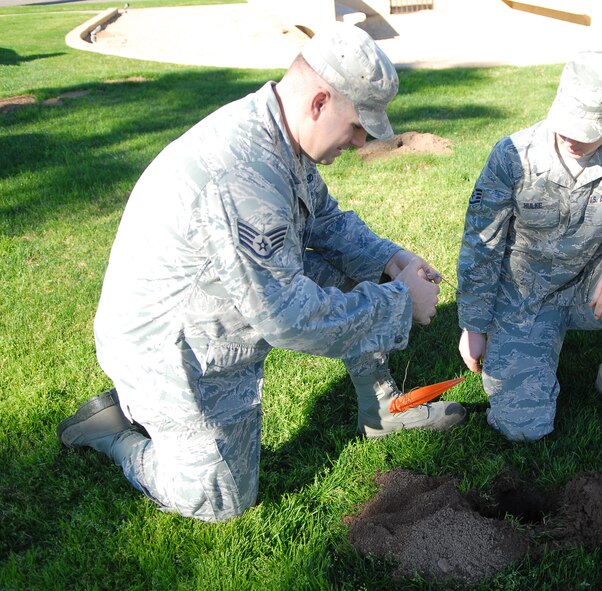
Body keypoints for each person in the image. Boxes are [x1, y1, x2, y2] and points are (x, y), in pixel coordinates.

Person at [56, 23, 466, 523]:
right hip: (173, 347)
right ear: (319, 101)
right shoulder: (241, 170)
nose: (361, 143)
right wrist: (401, 302)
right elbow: (289, 319)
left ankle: (381, 409)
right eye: (357, 126)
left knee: (364, 270)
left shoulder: (276, 132)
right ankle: (114, 430)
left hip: (222, 301)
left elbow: (327, 221)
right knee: (221, 498)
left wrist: (390, 260)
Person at [457, 51, 602, 442]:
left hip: (588, 283)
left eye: (586, 130)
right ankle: (522, 354)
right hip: (523, 296)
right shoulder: (513, 155)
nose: (570, 138)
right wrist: (474, 324)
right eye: (565, 124)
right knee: (523, 429)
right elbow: (482, 245)